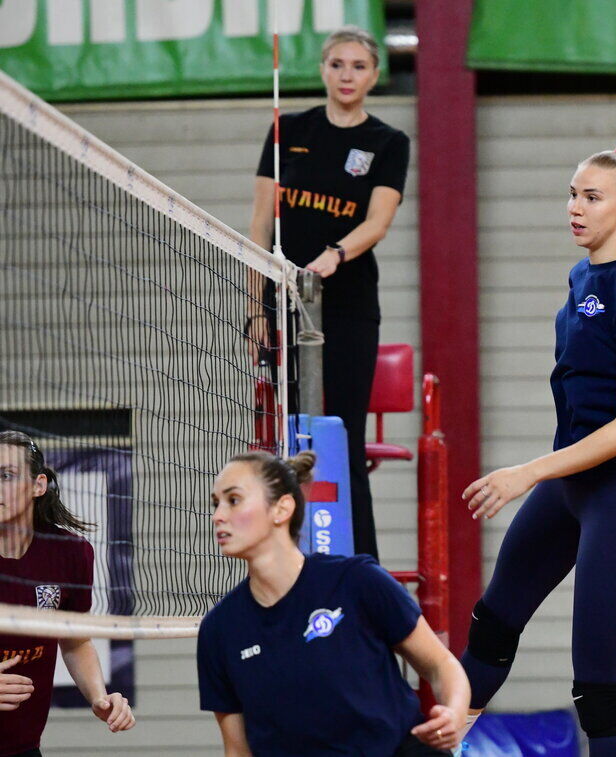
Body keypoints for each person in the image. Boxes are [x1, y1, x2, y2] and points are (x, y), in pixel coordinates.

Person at [457, 135, 616, 757]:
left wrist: (527, 472)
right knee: (492, 625)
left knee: (597, 685)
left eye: (592, 197)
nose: (575, 208)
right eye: (572, 194)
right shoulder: (585, 273)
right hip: (572, 485)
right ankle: (439, 745)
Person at [247, 25, 410, 560]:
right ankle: (292, 559)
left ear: (374, 75)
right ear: (322, 69)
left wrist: (335, 255)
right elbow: (260, 225)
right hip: (285, 306)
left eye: (358, 66)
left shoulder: (388, 142)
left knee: (340, 437)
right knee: (292, 440)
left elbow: (377, 221)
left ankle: (359, 567)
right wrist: (256, 310)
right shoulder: (287, 130)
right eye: (337, 64)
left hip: (348, 307)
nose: (346, 75)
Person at [197, 450, 469, 756]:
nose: (218, 516)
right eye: (216, 503)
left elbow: (441, 664)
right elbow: (238, 750)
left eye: (233, 500)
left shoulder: (357, 580)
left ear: (282, 509)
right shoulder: (219, 630)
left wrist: (455, 714)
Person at [0, 430, 136, 757]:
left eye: (6, 475)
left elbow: (75, 640)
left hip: (22, 747)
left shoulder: (70, 553)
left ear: (38, 485)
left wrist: (99, 697)